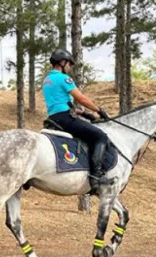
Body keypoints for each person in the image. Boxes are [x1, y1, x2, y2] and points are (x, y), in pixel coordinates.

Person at [42, 48, 114, 191]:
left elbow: (63, 103)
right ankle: (96, 176)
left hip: (54, 117)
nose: (69, 67)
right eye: (69, 64)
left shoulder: (47, 80)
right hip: (65, 118)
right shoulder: (63, 78)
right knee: (100, 136)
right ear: (62, 62)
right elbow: (80, 98)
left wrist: (86, 114)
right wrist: (98, 110)